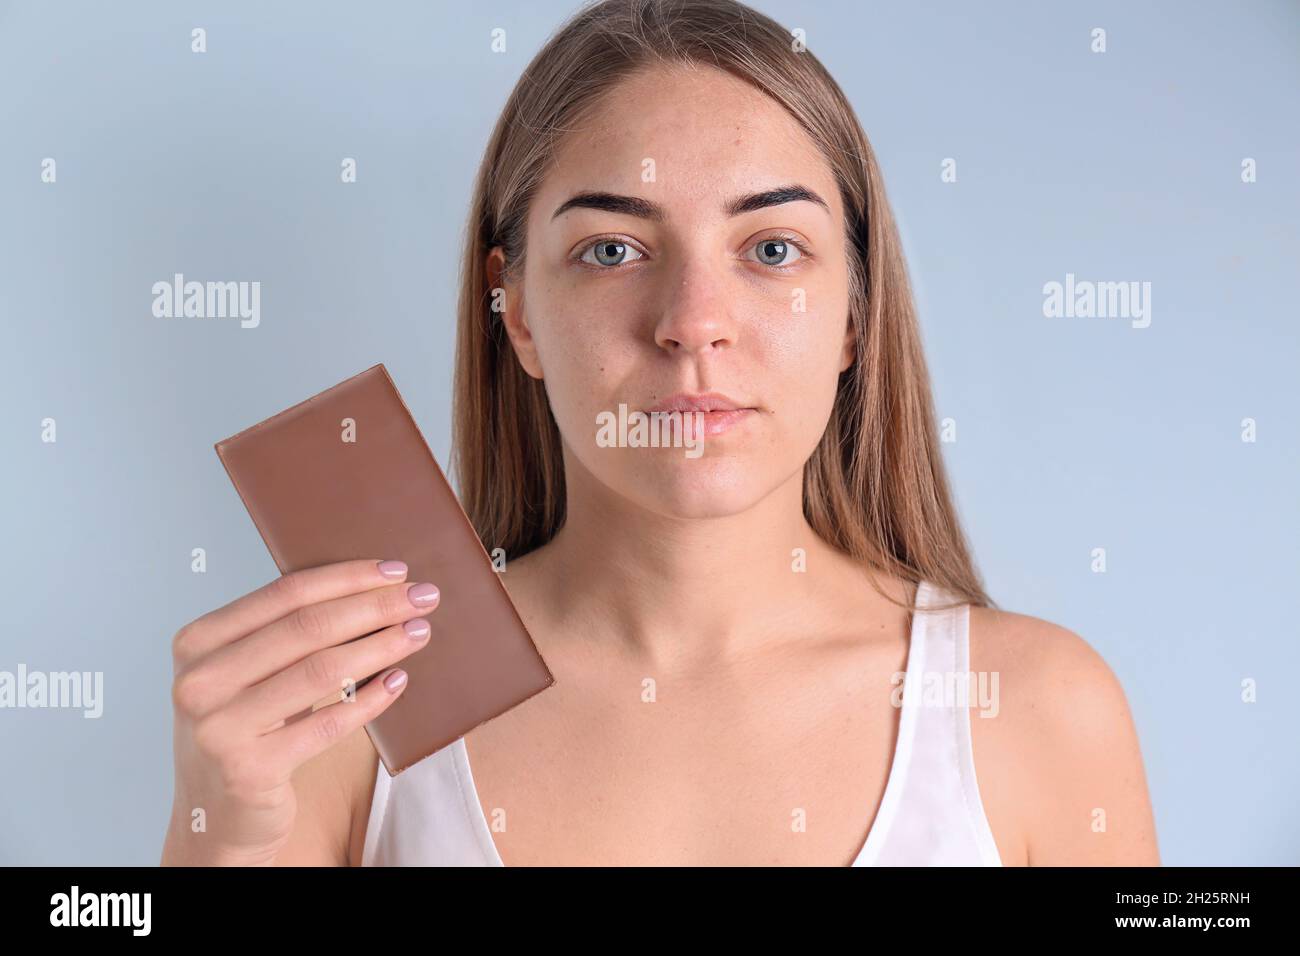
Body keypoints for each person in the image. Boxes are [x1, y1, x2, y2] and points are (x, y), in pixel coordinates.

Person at [162, 0, 1159, 867]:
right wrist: (219, 836)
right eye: (611, 249)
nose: (691, 319)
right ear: (515, 312)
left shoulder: (1035, 708)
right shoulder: (355, 709)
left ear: (854, 314)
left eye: (771, 248)